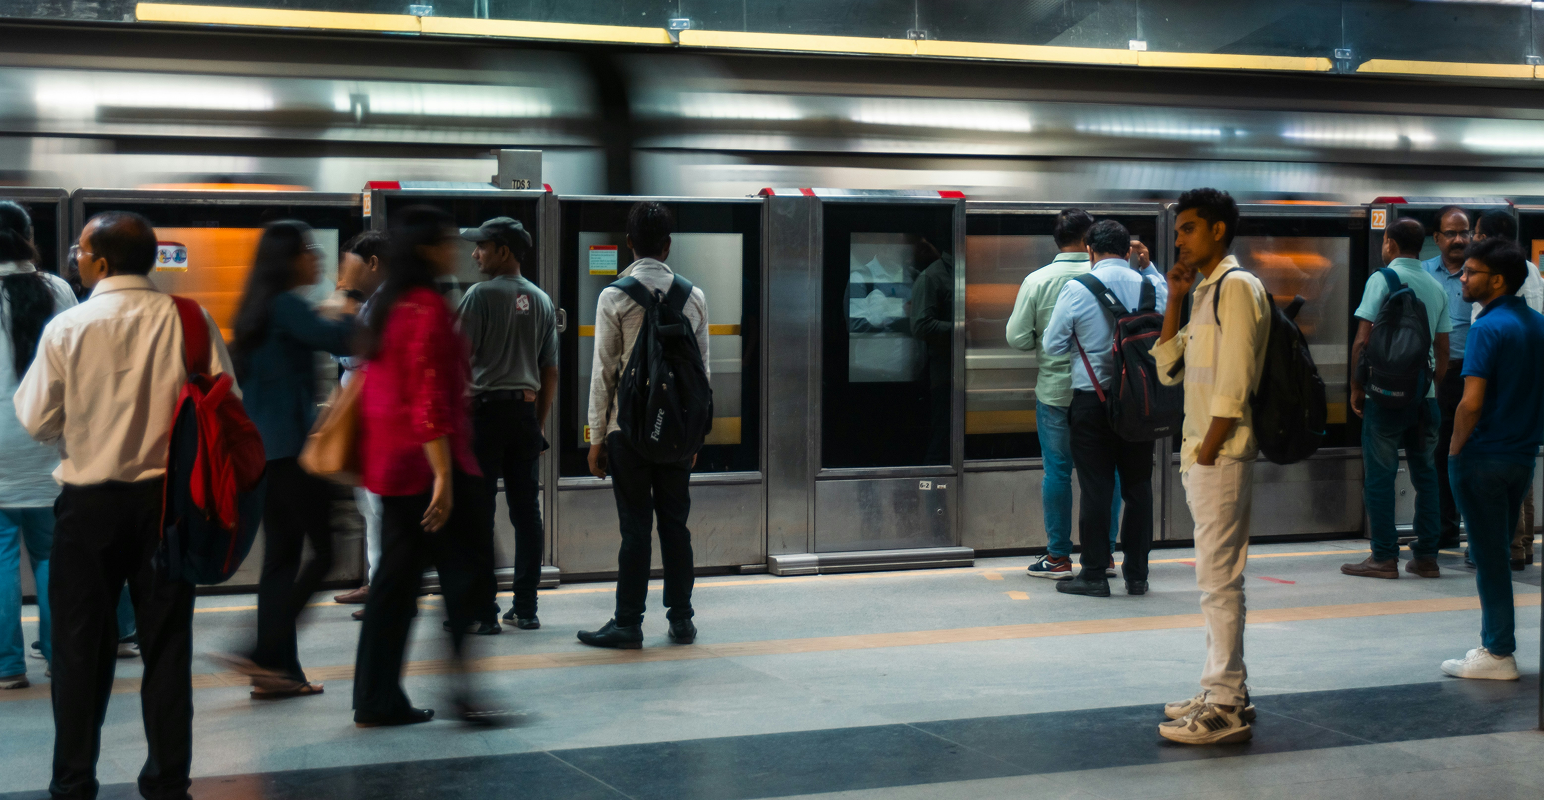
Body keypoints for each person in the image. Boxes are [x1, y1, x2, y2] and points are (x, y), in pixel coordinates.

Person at [16, 211, 237, 799]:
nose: (75, 257)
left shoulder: (69, 328)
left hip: (87, 509)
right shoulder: (190, 318)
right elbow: (225, 401)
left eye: (81, 250)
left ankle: (73, 780)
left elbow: (35, 418)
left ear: (102, 262)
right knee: (167, 647)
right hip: (170, 509)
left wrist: (81, 427)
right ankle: (166, 781)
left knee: (78, 650)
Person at [352, 206, 491, 727]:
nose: (457, 248)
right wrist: (445, 480)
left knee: (394, 587)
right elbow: (430, 399)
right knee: (470, 578)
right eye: (451, 239)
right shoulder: (427, 307)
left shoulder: (386, 305)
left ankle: (374, 696)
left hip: (391, 468)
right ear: (429, 249)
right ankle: (462, 690)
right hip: (431, 470)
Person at [216, 221, 357, 698]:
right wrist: (352, 297)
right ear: (290, 258)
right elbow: (346, 341)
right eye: (310, 250)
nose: (317, 258)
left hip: (262, 455)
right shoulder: (288, 306)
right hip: (291, 453)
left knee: (281, 560)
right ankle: (258, 650)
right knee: (326, 552)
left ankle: (279, 673)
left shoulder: (258, 308)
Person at [1151, 188, 1271, 745]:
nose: (1179, 239)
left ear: (1219, 230)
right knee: (1213, 580)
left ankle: (1224, 703)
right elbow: (1168, 369)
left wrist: (1210, 447)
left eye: (1190, 228)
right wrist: (1175, 297)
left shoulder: (1238, 288)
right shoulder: (1202, 290)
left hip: (1219, 452)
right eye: (1179, 230)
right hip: (1200, 449)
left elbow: (1236, 379)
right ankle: (1225, 688)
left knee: (1219, 583)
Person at [577, 202, 709, 649]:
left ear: (629, 243)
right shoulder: (694, 297)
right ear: (668, 245)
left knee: (635, 527)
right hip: (675, 434)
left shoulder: (614, 296)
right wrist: (695, 437)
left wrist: (597, 439)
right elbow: (701, 377)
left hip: (628, 433)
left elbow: (603, 373)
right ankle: (682, 620)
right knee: (676, 525)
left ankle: (628, 622)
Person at [1041, 220, 1164, 598]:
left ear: (1090, 251)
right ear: (1129, 250)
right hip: (1141, 403)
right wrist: (1149, 266)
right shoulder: (1153, 285)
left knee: (1096, 488)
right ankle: (1138, 576)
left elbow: (1053, 345)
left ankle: (1093, 574)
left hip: (1092, 401)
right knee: (1139, 488)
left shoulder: (1077, 288)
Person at [1441, 237, 1544, 680]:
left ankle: (1498, 651)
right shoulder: (1539, 324)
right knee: (1499, 552)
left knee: (1489, 559)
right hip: (1522, 457)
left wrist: (1453, 450)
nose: (1462, 278)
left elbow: (1471, 402)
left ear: (1497, 280)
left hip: (1483, 456)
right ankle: (1495, 644)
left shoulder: (1486, 327)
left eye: (1471, 271)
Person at [1006, 209, 1121, 580]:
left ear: (1057, 241)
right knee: (1107, 472)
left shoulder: (1037, 280)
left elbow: (1017, 337)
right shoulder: (1112, 278)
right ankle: (1103, 554)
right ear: (1091, 241)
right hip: (1105, 392)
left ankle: (1058, 557)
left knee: (1057, 473)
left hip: (1056, 393)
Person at [456, 217, 557, 634]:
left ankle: (483, 612)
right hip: (524, 417)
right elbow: (549, 371)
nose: (475, 253)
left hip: (483, 415)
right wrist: (537, 423)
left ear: (503, 250)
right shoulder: (542, 301)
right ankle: (527, 607)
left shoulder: (478, 297)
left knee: (478, 512)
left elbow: (456, 360)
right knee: (526, 512)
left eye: (481, 246)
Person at [1342, 218, 1451, 580]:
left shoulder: (1383, 279)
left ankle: (1384, 556)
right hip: (1425, 398)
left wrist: (1357, 388)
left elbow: (1362, 340)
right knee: (1427, 474)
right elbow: (1443, 351)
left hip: (1384, 396)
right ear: (1422, 246)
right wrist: (1427, 387)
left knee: (1380, 475)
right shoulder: (1437, 288)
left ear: (1389, 243)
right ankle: (1427, 557)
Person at [0, 201, 76, 690]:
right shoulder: (59, 290)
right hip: (49, 441)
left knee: (2, 558)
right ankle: (58, 654)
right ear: (28, 236)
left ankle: (7, 666)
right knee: (52, 556)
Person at [1467, 209, 1542, 570]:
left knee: (1498, 462)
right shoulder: (1533, 270)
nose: (1472, 239)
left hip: (1499, 368)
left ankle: (1504, 546)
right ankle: (1522, 543)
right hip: (1528, 368)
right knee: (1522, 467)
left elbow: (1472, 403)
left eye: (1478, 233)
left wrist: (1455, 449)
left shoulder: (1491, 316)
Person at [329, 231, 389, 618]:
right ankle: (375, 581)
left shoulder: (384, 302)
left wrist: (346, 296)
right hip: (362, 411)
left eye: (351, 263)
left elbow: (347, 348)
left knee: (378, 505)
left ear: (372, 263)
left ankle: (386, 589)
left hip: (375, 413)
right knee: (368, 505)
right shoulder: (373, 302)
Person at [1425, 206, 1471, 551]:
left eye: (1464, 232)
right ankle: (1445, 529)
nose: (1459, 239)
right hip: (1438, 376)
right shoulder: (1424, 274)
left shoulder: (1480, 274)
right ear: (1437, 238)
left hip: (1475, 376)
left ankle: (1478, 529)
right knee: (1440, 453)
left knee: (1474, 452)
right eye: (1451, 233)